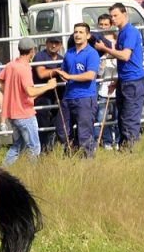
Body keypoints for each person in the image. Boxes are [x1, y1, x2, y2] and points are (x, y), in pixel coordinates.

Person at [0, 37, 57, 166]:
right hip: (24, 113)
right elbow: (30, 92)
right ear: (32, 51)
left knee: (18, 145)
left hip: (12, 114)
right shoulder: (24, 68)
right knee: (34, 147)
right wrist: (48, 86)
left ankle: (3, 170)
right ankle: (31, 174)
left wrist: (10, 94)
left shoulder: (11, 65)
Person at [93, 3, 144, 150]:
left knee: (129, 118)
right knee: (122, 117)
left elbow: (125, 56)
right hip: (125, 79)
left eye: (116, 15)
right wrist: (118, 81)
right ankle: (125, 149)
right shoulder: (122, 32)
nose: (113, 19)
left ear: (125, 14)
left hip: (133, 81)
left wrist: (104, 48)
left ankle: (130, 150)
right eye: (112, 16)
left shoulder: (130, 32)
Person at [54, 23, 100, 157]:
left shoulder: (92, 53)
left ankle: (86, 163)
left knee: (84, 134)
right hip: (68, 97)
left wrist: (69, 76)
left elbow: (90, 75)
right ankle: (71, 155)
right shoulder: (69, 52)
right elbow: (65, 71)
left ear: (88, 35)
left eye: (81, 32)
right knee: (62, 130)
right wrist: (61, 74)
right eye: (75, 32)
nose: (77, 35)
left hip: (85, 98)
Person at [32, 35, 63, 151]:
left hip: (57, 92)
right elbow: (41, 73)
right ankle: (43, 149)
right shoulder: (40, 56)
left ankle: (51, 147)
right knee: (42, 121)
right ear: (46, 43)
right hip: (42, 93)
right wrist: (58, 71)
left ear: (61, 45)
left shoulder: (61, 58)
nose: (53, 45)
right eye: (51, 42)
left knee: (57, 120)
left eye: (56, 43)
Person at [93, 14, 118, 149]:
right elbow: (98, 71)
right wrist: (102, 66)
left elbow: (120, 63)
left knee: (117, 116)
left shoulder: (117, 43)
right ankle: (106, 142)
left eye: (106, 25)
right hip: (103, 87)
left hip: (117, 85)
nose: (103, 27)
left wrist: (110, 55)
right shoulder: (95, 43)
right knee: (101, 117)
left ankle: (118, 141)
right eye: (100, 25)